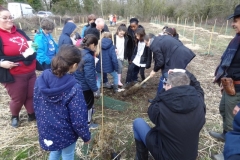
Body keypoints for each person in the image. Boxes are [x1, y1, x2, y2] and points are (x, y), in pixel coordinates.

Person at [132, 70, 206, 160]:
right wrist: (184, 72)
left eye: (166, 83)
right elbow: (198, 87)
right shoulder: (199, 102)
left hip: (166, 157)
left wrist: (163, 90)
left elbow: (151, 109)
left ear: (169, 86)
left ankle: (141, 157)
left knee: (138, 122)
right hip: (190, 156)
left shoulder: (159, 108)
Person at [34, 45, 90, 160]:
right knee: (68, 154)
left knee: (55, 151)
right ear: (74, 65)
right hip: (66, 133)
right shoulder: (74, 88)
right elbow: (78, 118)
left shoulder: (41, 79)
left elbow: (36, 103)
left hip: (47, 127)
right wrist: (86, 136)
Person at [0, 7, 36, 127]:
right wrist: (1, 63)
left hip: (30, 70)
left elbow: (31, 46)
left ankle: (31, 114)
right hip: (14, 73)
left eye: (10, 17)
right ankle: (15, 116)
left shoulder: (20, 32)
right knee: (18, 98)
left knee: (31, 95)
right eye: (4, 18)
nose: (9, 20)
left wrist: (33, 47)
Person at [209, 4, 240, 142]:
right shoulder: (237, 39)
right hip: (230, 86)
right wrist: (224, 80)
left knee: (233, 120)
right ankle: (225, 135)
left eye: (236, 20)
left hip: (238, 90)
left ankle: (230, 150)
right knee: (223, 109)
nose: (233, 24)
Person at [144, 33, 195, 102]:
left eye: (146, 44)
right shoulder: (159, 38)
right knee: (171, 76)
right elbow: (159, 58)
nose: (147, 46)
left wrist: (154, 70)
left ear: (149, 40)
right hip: (182, 54)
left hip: (177, 58)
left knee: (170, 77)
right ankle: (162, 98)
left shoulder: (154, 45)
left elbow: (160, 62)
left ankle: (165, 99)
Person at [74, 34, 100, 129]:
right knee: (88, 104)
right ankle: (88, 123)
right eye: (96, 46)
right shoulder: (89, 57)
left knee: (80, 104)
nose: (96, 48)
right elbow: (89, 76)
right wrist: (95, 89)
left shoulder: (79, 52)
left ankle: (80, 120)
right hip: (85, 86)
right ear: (92, 45)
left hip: (77, 83)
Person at [84, 18, 111, 88]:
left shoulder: (105, 28)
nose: (101, 29)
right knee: (94, 67)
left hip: (102, 50)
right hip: (93, 51)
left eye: (102, 27)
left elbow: (108, 37)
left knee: (103, 65)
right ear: (96, 25)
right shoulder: (89, 30)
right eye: (100, 27)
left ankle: (105, 81)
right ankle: (95, 82)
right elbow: (88, 42)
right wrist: (94, 50)